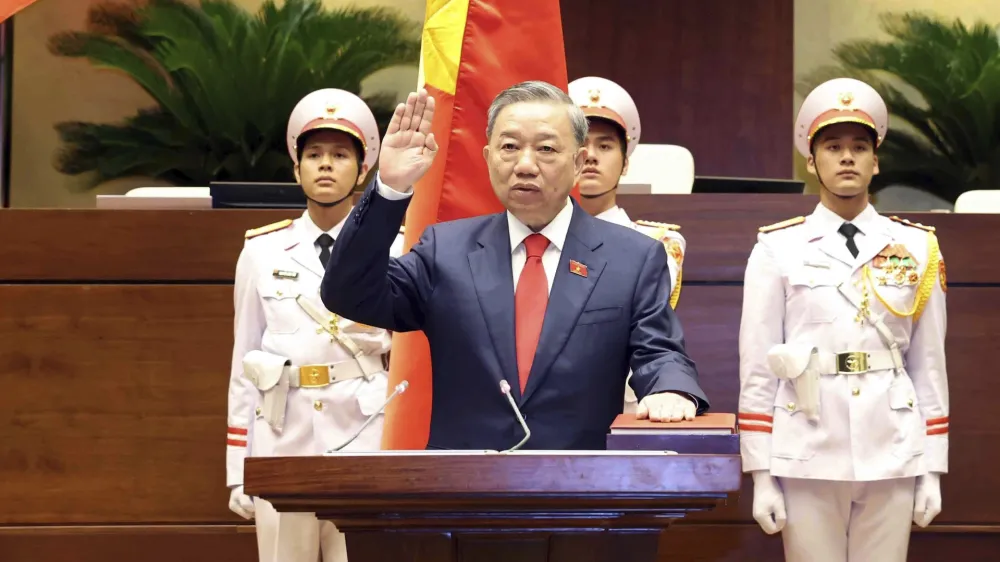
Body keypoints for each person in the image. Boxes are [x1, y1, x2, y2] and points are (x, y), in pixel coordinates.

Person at [320, 81, 710, 452]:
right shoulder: (445, 250)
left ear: (577, 164)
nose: (525, 165)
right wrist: (390, 188)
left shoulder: (632, 257)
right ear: (489, 158)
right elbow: (349, 293)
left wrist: (670, 389)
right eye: (509, 147)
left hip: (581, 491)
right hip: (462, 493)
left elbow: (659, 351)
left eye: (545, 149)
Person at [737, 77, 948, 562]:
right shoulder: (777, 247)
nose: (847, 157)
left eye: (860, 146)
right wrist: (762, 474)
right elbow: (758, 367)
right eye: (833, 147)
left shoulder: (918, 247)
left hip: (892, 446)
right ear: (812, 161)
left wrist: (932, 467)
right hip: (807, 445)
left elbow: (929, 362)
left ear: (876, 160)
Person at [225, 88, 404, 562]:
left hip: (366, 433)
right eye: (314, 154)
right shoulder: (262, 251)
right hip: (282, 439)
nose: (326, 165)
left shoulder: (397, 248)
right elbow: (245, 362)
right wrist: (239, 467)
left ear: (364, 168)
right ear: (296, 167)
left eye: (341, 154)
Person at [568, 76, 687, 416]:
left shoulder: (657, 243)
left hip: (623, 405)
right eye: (580, 144)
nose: (590, 156)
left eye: (605, 147)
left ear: (626, 161)